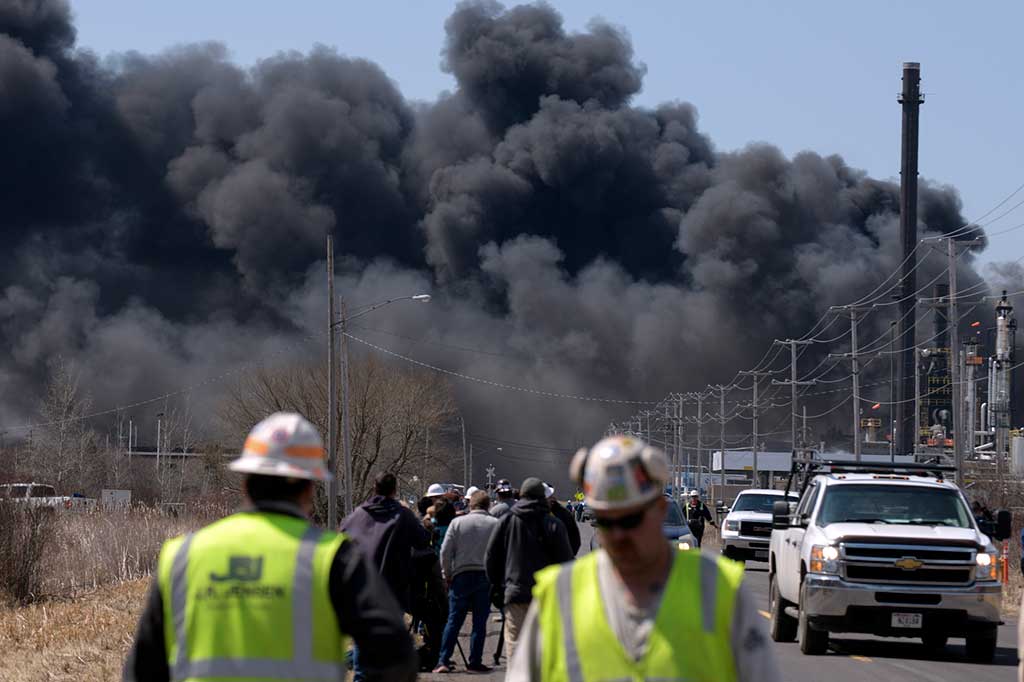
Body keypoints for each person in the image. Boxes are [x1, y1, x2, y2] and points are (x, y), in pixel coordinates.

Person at [122, 412, 416, 682]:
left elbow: (142, 671)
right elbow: (396, 658)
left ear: (245, 481)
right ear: (309, 487)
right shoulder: (333, 558)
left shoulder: (182, 556)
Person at [507, 435, 781, 682]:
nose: (617, 535)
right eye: (605, 521)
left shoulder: (719, 589)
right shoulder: (560, 594)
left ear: (660, 509)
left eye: (630, 519)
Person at [341, 471, 432, 680]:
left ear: (374, 488)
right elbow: (422, 540)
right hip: (393, 592)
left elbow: (342, 538)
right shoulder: (403, 516)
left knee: (364, 644)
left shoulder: (358, 515)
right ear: (394, 490)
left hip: (362, 591)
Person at [485, 477, 572, 657]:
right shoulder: (554, 524)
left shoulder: (507, 521)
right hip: (546, 598)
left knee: (516, 650)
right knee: (543, 652)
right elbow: (567, 565)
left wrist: (498, 587)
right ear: (542, 497)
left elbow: (491, 558)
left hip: (515, 595)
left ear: (522, 495)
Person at [434, 490, 501, 673]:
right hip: (485, 577)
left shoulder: (457, 523)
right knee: (479, 623)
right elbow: (499, 553)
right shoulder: (495, 524)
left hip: (461, 575)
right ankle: (475, 662)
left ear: (471, 504)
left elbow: (445, 552)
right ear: (488, 505)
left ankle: (443, 661)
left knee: (454, 620)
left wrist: (446, 574)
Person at [545, 482, 581, 556]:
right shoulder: (529, 513)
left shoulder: (563, 514)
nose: (551, 498)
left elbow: (574, 539)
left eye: (551, 496)